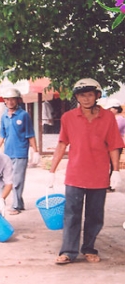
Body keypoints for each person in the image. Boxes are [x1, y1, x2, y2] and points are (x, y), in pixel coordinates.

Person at [48, 78, 123, 265]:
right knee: (72, 214)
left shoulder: (108, 118)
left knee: (95, 215)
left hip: (98, 175)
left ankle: (89, 248)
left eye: (90, 94)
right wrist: (52, 170)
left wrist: (116, 171)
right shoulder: (68, 117)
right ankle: (68, 251)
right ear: (77, 97)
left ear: (97, 95)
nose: (86, 98)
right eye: (82, 95)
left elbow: (114, 145)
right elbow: (62, 144)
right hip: (75, 174)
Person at [0, 88, 40, 215]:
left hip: (20, 152)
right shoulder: (4, 116)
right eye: (7, 99)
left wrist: (35, 151)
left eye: (12, 99)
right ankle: (19, 203)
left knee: (17, 180)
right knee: (8, 179)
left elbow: (30, 135)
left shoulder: (24, 115)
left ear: (18, 100)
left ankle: (16, 206)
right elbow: (1, 135)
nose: (10, 102)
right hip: (7, 152)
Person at [103, 98, 125, 192]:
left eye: (110, 109)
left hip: (116, 144)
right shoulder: (112, 119)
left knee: (113, 165)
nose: (109, 111)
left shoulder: (120, 119)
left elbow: (111, 131)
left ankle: (111, 185)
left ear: (116, 109)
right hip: (109, 144)